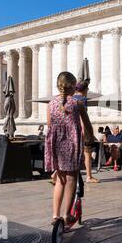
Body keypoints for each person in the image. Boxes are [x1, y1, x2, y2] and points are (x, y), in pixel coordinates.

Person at [45, 72, 93, 226]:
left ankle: (55, 215)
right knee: (72, 178)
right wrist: (90, 138)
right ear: (73, 86)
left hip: (56, 145)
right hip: (72, 144)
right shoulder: (77, 104)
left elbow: (49, 125)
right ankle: (67, 215)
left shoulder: (51, 104)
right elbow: (87, 124)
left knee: (60, 179)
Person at [73, 80, 99, 184]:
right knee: (87, 152)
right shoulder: (82, 99)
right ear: (85, 90)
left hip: (72, 128)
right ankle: (89, 176)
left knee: (72, 152)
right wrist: (84, 130)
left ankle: (56, 174)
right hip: (82, 128)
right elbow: (82, 116)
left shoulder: (71, 98)